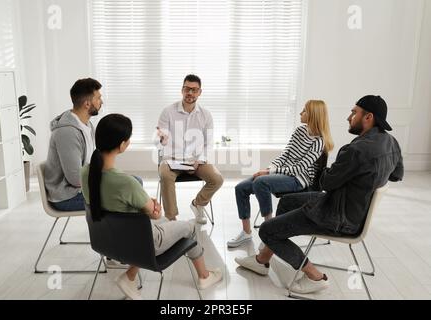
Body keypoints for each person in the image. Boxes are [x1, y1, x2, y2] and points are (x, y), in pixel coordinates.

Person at [235, 95, 403, 294]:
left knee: (266, 230)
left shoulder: (356, 150)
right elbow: (396, 175)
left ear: (368, 117)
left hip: (337, 216)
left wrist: (328, 169)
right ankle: (262, 260)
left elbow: (325, 183)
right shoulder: (391, 143)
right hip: (352, 208)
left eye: (354, 112)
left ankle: (314, 276)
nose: (349, 117)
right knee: (287, 202)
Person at [81, 114, 223, 300]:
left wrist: (147, 208)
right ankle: (204, 277)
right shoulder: (127, 183)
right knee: (190, 227)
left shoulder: (85, 172)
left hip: (107, 241)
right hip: (142, 244)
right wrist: (153, 207)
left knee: (166, 223)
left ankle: (130, 277)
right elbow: (155, 215)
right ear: (123, 145)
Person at [227, 100, 334, 248]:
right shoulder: (299, 131)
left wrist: (269, 172)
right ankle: (246, 232)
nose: (300, 113)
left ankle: (269, 232)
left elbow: (300, 168)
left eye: (304, 111)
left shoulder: (319, 142)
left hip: (298, 179)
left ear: (313, 115)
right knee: (241, 188)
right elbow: (285, 155)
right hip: (283, 173)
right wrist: (270, 168)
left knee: (261, 182)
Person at [155, 74, 223, 223]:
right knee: (165, 175)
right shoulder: (168, 111)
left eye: (194, 90)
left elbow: (208, 143)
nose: (190, 93)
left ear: (200, 92)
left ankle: (197, 204)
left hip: (196, 161)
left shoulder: (206, 115)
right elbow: (160, 140)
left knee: (217, 179)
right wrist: (161, 139)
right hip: (172, 159)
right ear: (182, 90)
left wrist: (200, 160)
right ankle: (171, 218)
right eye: (187, 89)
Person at [44, 78, 103, 211]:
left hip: (80, 188)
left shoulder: (87, 125)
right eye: (98, 98)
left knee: (132, 183)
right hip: (66, 196)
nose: (101, 102)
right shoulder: (67, 132)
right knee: (124, 193)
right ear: (87, 104)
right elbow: (76, 179)